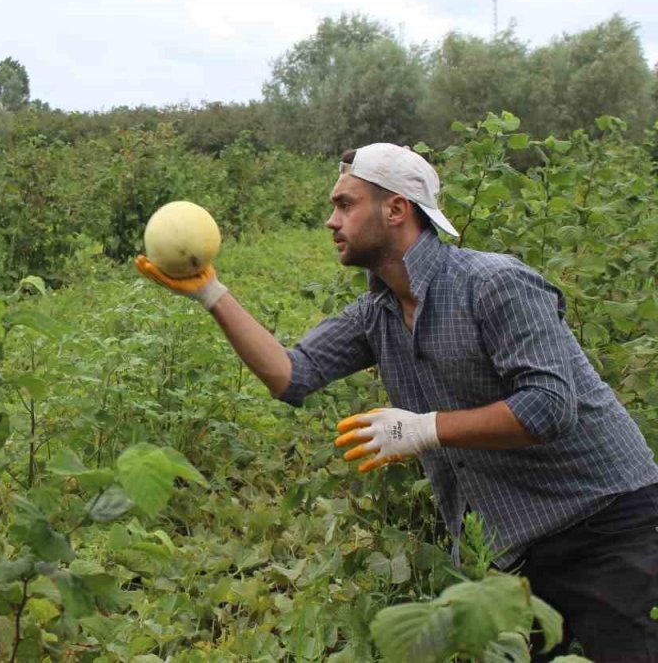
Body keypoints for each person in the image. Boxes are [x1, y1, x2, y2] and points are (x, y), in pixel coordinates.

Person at [137, 143, 658, 662]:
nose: (330, 221)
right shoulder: (377, 312)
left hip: (608, 524)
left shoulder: (494, 283)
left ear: (396, 210)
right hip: (519, 548)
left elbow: (548, 406)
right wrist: (210, 293)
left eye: (345, 204)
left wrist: (424, 429)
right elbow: (291, 375)